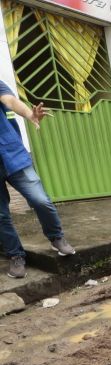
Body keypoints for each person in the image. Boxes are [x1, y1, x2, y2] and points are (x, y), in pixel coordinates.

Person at [0, 79, 75, 279]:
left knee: (40, 200)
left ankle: (56, 238)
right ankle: (16, 255)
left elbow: (10, 101)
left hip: (13, 156)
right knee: (1, 216)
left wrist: (29, 114)